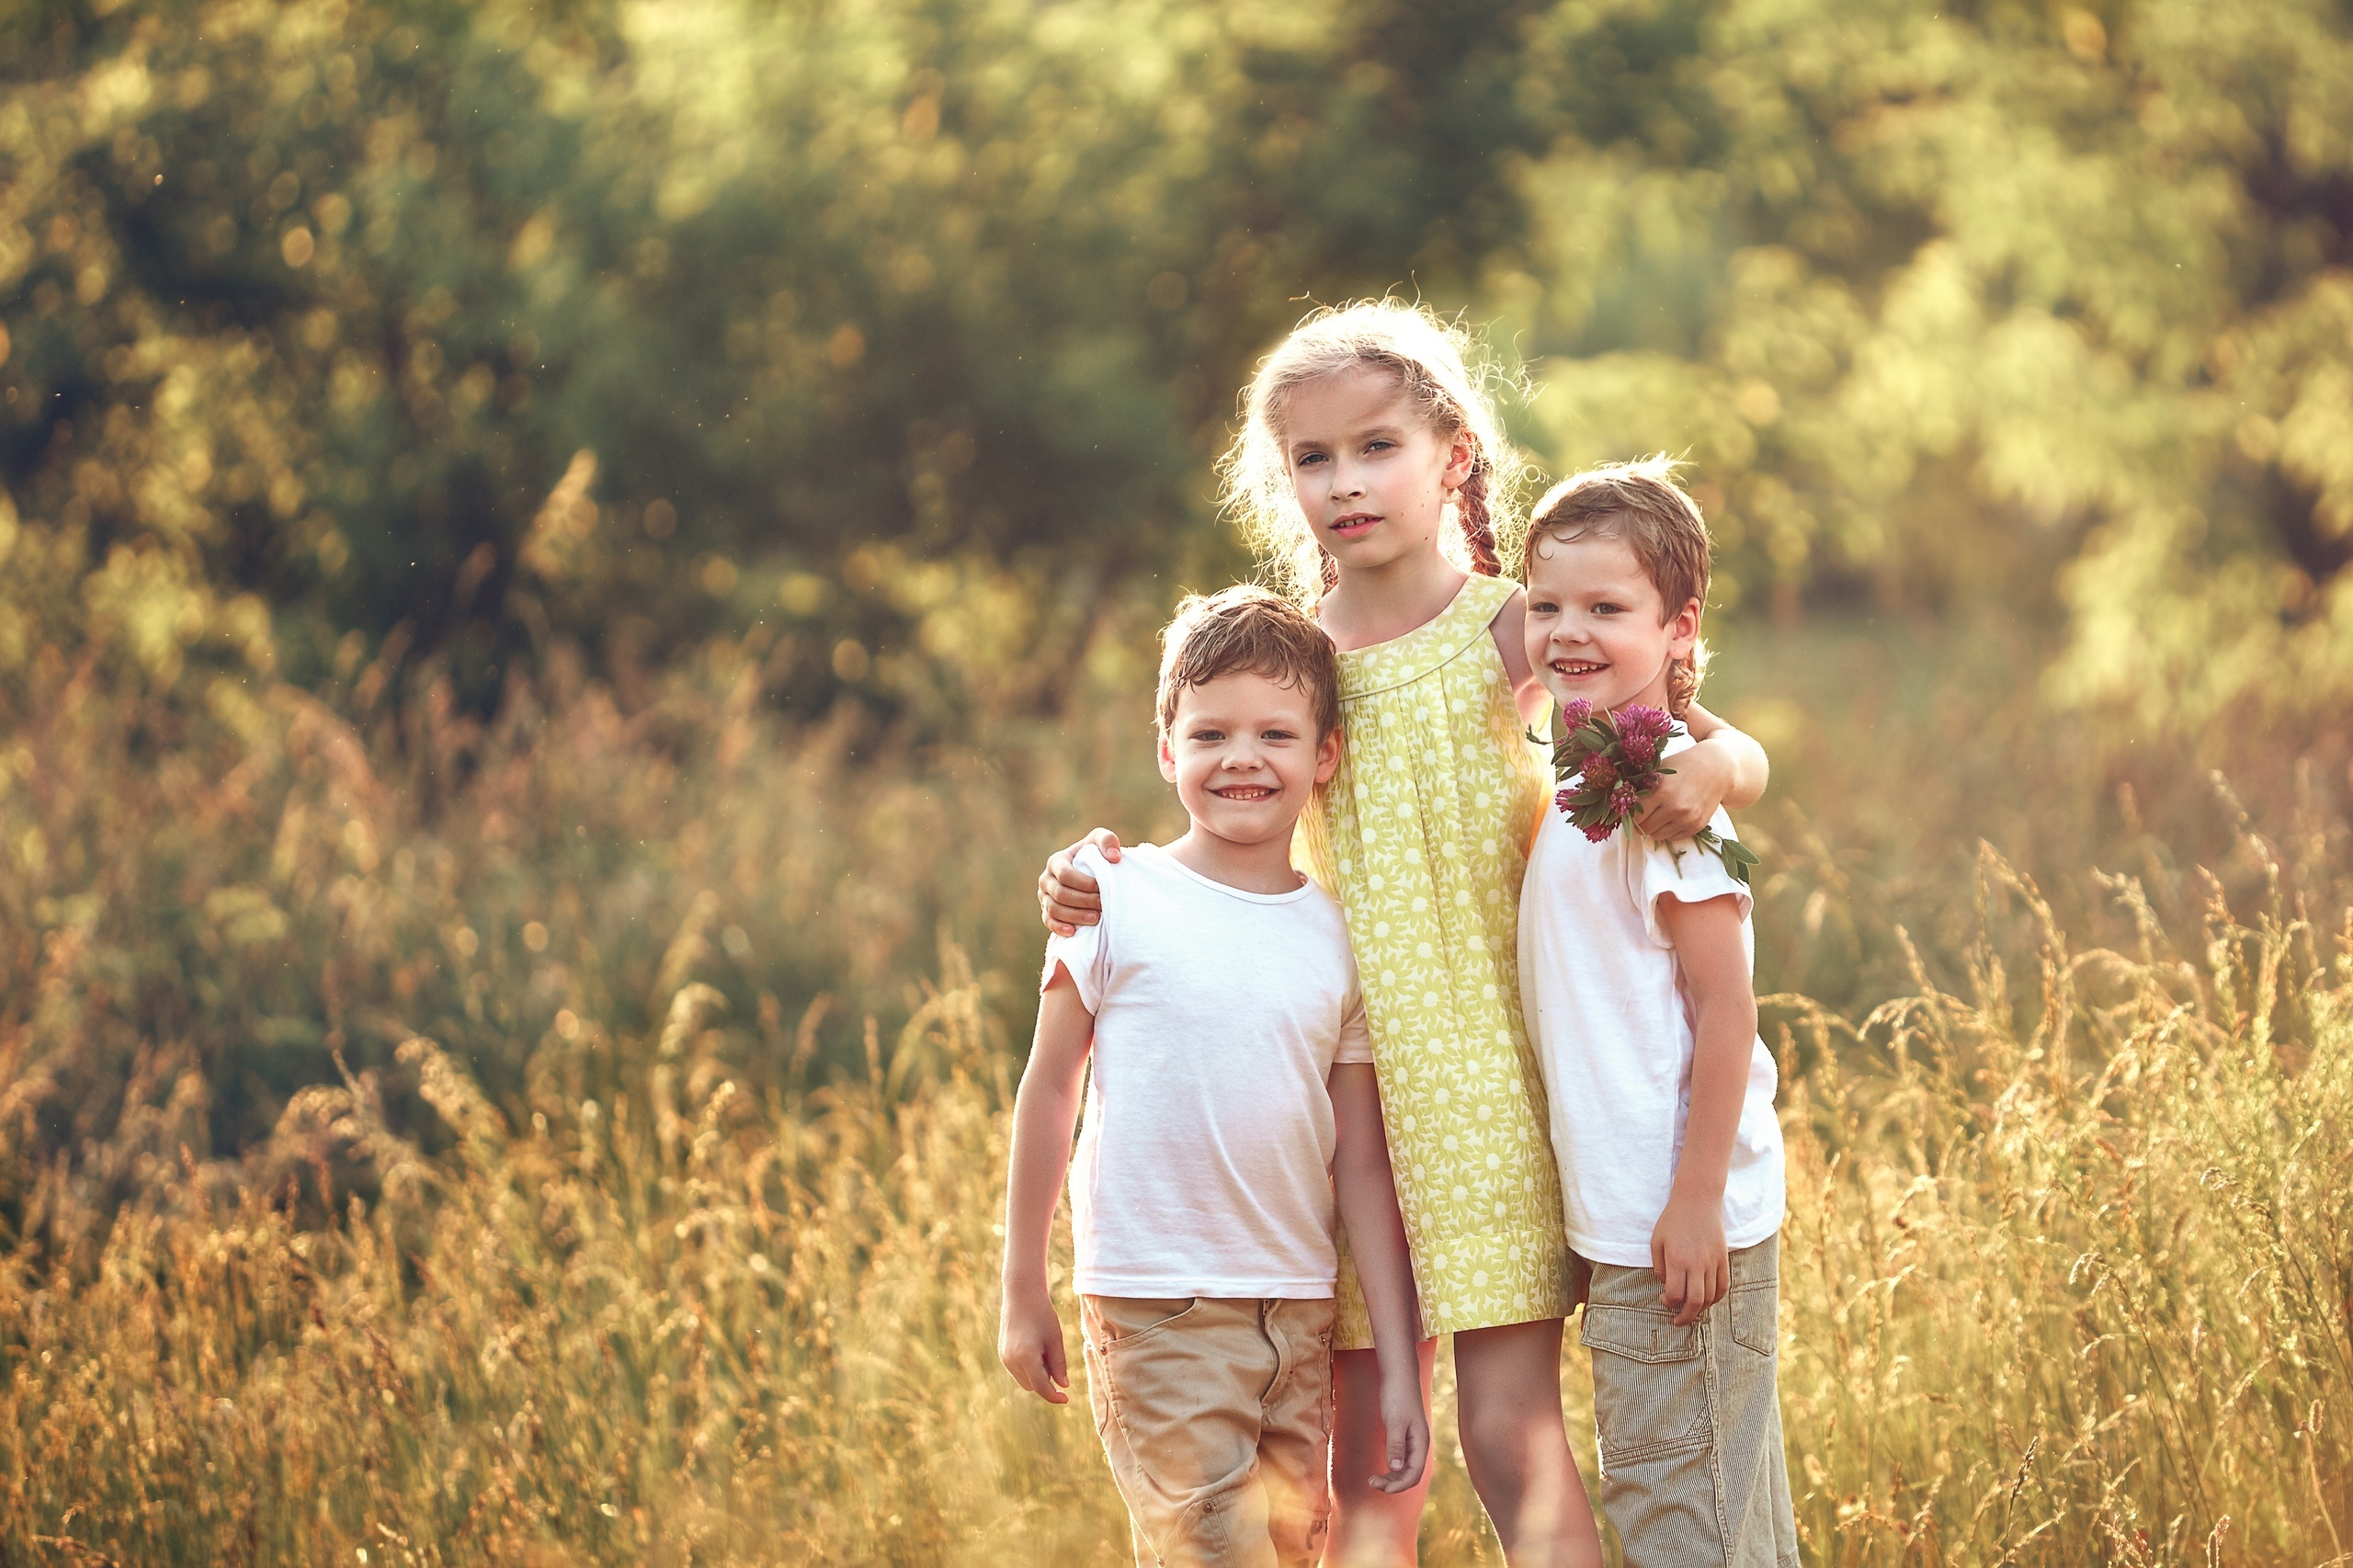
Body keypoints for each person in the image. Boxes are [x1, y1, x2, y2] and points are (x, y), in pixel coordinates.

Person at [1038, 301, 1772, 1567]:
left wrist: (1727, 764)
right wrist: (1093, 867)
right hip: (1342, 1091)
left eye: (1376, 447)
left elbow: (1696, 724)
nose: (1345, 482)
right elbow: (1224, 789)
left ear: (1453, 457)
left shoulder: (1514, 622)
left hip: (1489, 1088)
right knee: (1369, 1458)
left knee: (1504, 1428)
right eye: (1312, 458)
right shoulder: (1298, 654)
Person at [999, 585, 1431, 1568]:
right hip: (1160, 1308)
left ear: (1325, 755)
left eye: (1275, 733)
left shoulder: (1337, 937)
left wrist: (1399, 1368)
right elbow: (1050, 1089)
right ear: (1167, 750)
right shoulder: (1113, 895)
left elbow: (1361, 1163)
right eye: (1210, 734)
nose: (1242, 757)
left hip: (1297, 1313)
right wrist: (1022, 1284)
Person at [1514, 460, 1798, 1567]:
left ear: (1678, 628)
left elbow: (1725, 1008)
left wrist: (1692, 1201)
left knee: (1682, 1515)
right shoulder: (1587, 757)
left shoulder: (1667, 793)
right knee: (1716, 1514)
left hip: (1678, 1219)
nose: (1567, 631)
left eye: (1605, 607)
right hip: (1630, 1214)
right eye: (1546, 605)